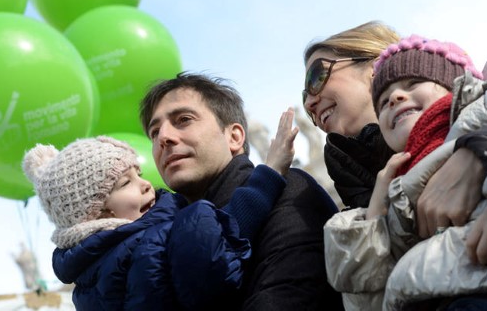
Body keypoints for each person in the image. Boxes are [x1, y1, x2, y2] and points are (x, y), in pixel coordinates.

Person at [325, 31, 487, 310]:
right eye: (382, 102)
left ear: (454, 87)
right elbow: (370, 303)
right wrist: (373, 220)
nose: (394, 97)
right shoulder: (397, 189)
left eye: (413, 82)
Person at [22, 112, 296, 311]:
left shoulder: (93, 272)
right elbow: (221, 241)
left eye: (138, 174)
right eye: (125, 183)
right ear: (97, 213)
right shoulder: (145, 245)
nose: (145, 184)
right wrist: (270, 172)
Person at [139, 72, 343, 310]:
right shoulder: (156, 236)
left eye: (184, 119)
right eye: (154, 132)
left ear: (234, 137)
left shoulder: (290, 194)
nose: (163, 137)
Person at [302, 21, 487, 240]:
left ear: (375, 68)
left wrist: (481, 152)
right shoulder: (349, 199)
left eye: (316, 77)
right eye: (304, 97)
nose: (309, 104)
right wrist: (374, 225)